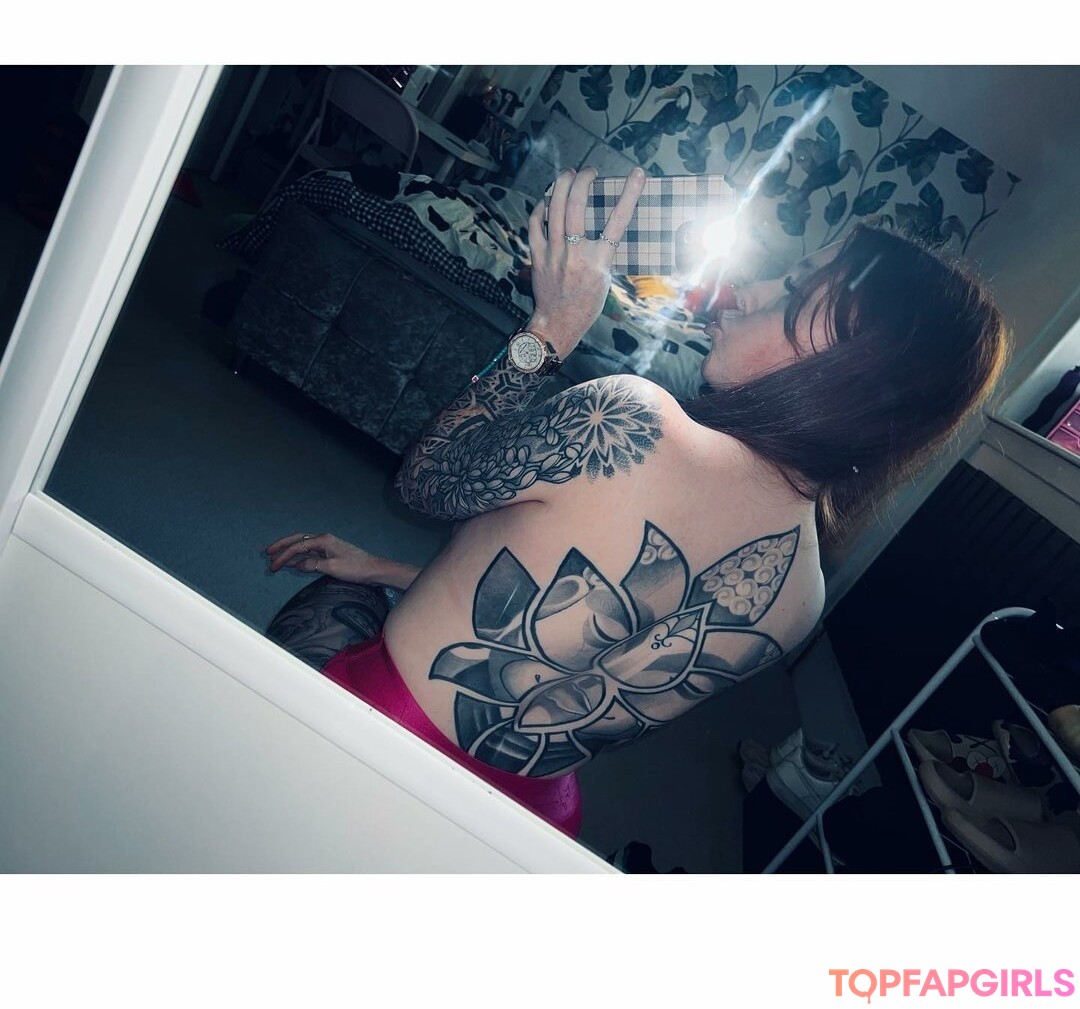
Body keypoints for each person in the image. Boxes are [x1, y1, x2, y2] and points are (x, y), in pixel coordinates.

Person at [264, 166, 1008, 837]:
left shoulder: (632, 420)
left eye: (792, 292)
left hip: (383, 734)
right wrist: (386, 569)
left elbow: (424, 482)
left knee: (330, 599)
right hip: (523, 816)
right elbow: (584, 660)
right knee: (359, 582)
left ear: (850, 375)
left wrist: (549, 330)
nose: (746, 292)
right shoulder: (803, 595)